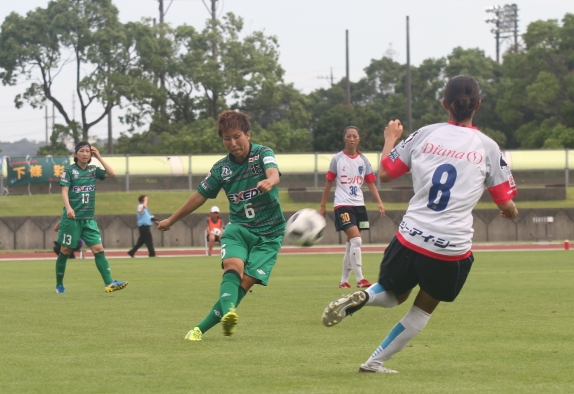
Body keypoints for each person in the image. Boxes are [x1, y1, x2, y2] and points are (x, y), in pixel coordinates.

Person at [322, 75, 519, 374]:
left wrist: (390, 138)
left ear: (444, 104)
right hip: (450, 247)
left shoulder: (425, 134)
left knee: (393, 294)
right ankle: (373, 363)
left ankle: (366, 295)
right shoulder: (489, 147)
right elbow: (505, 203)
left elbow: (386, 173)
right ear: (478, 105)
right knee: (421, 308)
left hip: (410, 236)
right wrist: (512, 213)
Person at [157, 110, 285, 341]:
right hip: (239, 229)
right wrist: (171, 220)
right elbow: (200, 196)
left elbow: (273, 172)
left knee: (243, 285)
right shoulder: (221, 169)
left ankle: (200, 328)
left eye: (237, 136)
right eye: (227, 138)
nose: (233, 143)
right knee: (232, 268)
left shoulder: (262, 153)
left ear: (247, 134)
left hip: (270, 233)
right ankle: (226, 314)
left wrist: (271, 180)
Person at [54, 142, 128, 294]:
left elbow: (112, 174)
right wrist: (68, 207)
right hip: (72, 219)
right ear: (75, 154)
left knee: (98, 249)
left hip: (88, 218)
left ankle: (109, 283)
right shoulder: (69, 171)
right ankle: (59, 284)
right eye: (81, 151)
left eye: (88, 151)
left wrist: (99, 156)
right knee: (66, 250)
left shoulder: (93, 170)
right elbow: (64, 191)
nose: (85, 154)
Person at [319, 126, 385, 289]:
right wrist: (322, 206)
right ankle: (360, 278)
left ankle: (343, 281)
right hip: (342, 205)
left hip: (359, 206)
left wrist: (379, 201)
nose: (351, 139)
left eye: (354, 136)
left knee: (351, 244)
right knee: (356, 239)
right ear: (344, 139)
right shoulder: (337, 159)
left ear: (358, 139)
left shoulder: (364, 160)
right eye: (348, 136)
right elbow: (328, 183)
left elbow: (370, 183)